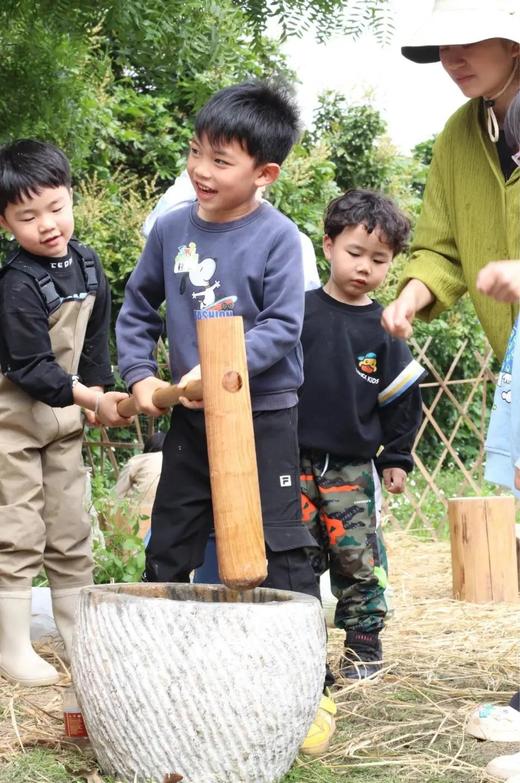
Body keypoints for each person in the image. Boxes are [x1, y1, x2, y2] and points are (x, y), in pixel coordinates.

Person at [116, 81, 335, 755]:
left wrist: (218, 371)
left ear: (264, 174)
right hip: (190, 417)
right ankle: (152, 671)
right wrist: (141, 376)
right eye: (195, 152)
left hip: (263, 415)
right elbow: (137, 308)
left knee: (280, 544)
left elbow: (282, 327)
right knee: (170, 539)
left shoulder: (280, 239)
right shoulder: (172, 229)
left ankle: (310, 683)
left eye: (220, 160)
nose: (200, 170)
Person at [0, 139, 132, 687]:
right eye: (28, 216)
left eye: (55, 207)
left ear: (71, 197)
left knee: (71, 526)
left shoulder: (88, 264)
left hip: (64, 422)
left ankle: (79, 636)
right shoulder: (16, 283)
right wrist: (89, 398)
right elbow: (31, 367)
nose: (47, 224)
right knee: (19, 528)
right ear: (5, 222)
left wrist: (99, 388)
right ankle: (12, 646)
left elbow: (95, 341)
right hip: (13, 425)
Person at [298, 189, 424, 680]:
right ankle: (303, 655)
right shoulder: (298, 312)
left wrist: (397, 458)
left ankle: (363, 648)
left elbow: (402, 399)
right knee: (296, 557)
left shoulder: (384, 328)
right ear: (328, 245)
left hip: (351, 466)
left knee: (357, 557)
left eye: (379, 260)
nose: (364, 267)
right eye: (355, 253)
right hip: (291, 461)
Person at [381, 0, 520, 365]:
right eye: (444, 45)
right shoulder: (457, 136)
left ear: (513, 43)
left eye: (467, 41)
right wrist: (410, 297)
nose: (453, 60)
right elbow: (441, 251)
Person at [142, 169, 322, 291]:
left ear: (263, 175)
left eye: (222, 163)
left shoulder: (292, 241)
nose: (207, 172)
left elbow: (300, 317)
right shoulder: (191, 231)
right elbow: (154, 229)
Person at [113, 430, 166, 539]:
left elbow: (116, 494)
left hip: (137, 518)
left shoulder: (138, 460)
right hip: (165, 517)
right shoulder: (176, 462)